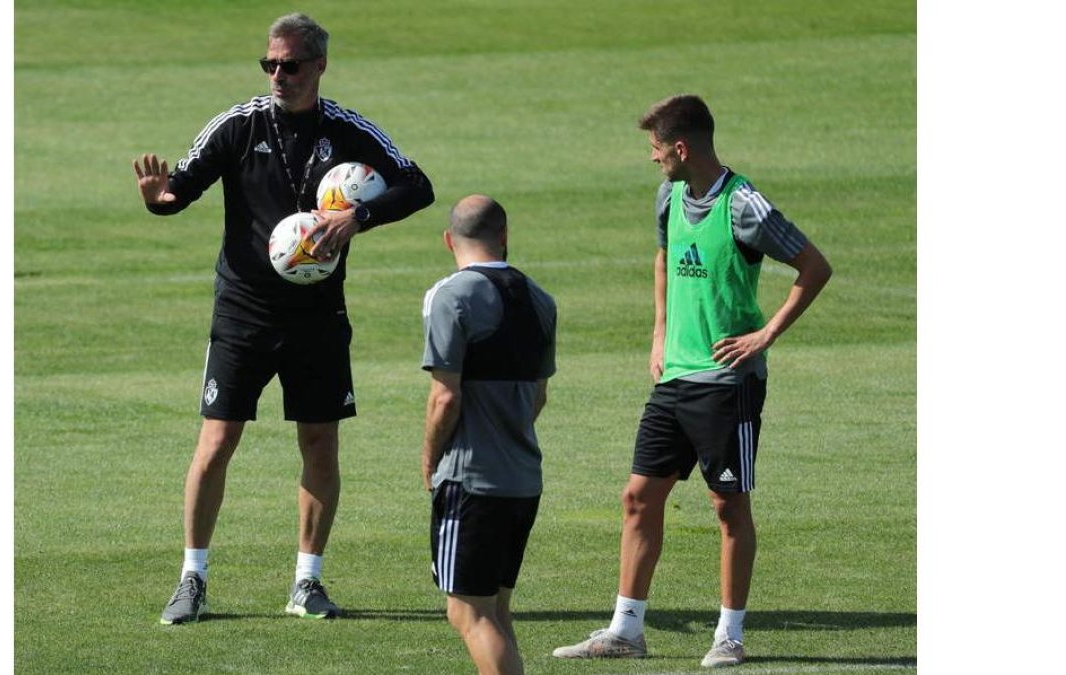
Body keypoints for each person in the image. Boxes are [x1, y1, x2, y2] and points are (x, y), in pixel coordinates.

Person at [133, 13, 435, 625]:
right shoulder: (238, 126)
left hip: (318, 316)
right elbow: (180, 190)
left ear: (319, 65)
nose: (278, 74)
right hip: (243, 310)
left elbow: (418, 185)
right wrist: (159, 201)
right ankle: (191, 578)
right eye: (269, 63)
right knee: (217, 440)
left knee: (320, 443)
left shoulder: (347, 130)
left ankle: (308, 582)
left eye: (291, 64)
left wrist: (358, 220)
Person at [552, 94, 832, 667]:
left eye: (656, 150)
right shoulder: (669, 195)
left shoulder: (744, 205)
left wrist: (765, 335)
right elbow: (664, 258)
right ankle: (626, 630)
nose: (653, 159)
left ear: (681, 147)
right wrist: (658, 333)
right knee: (638, 497)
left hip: (728, 384)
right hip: (674, 379)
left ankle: (729, 636)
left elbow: (813, 267)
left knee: (728, 505)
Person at [421, 195, 557, 674]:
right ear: (505, 235)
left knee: (468, 612)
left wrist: (430, 460)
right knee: (497, 610)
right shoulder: (541, 299)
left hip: (472, 481)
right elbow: (539, 396)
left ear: (448, 240)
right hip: (523, 479)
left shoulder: (451, 296)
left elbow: (445, 398)